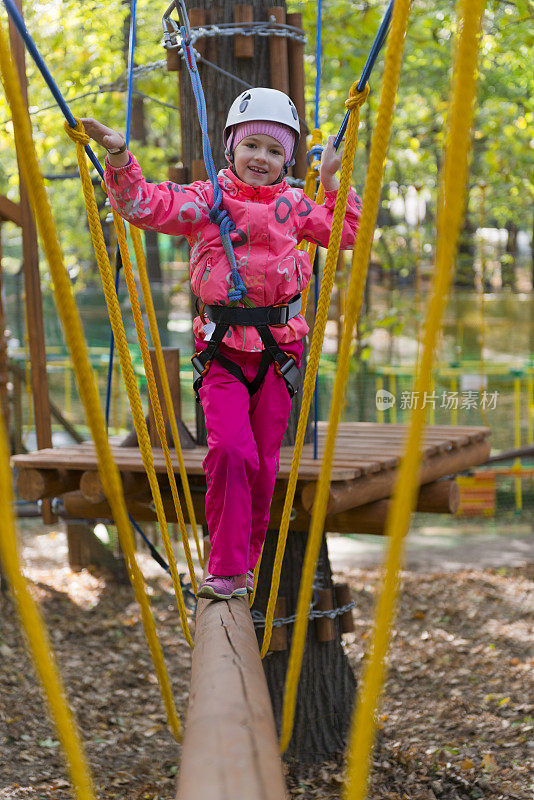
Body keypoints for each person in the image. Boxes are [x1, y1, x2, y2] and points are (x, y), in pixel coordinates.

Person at [80, 87, 361, 601]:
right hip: (224, 353)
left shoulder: (295, 205)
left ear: (287, 159)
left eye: (276, 151)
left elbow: (346, 233)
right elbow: (143, 206)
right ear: (231, 146)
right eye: (253, 145)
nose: (263, 158)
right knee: (231, 451)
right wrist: (120, 156)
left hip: (280, 354)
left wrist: (330, 181)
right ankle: (227, 569)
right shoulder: (207, 200)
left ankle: (243, 564)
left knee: (263, 465)